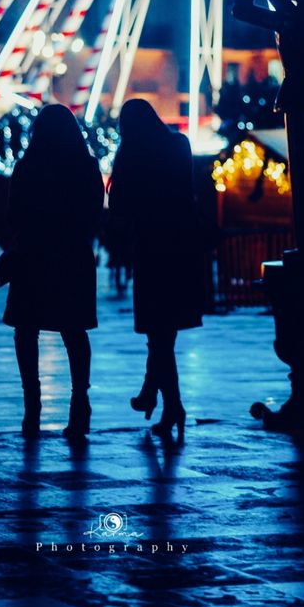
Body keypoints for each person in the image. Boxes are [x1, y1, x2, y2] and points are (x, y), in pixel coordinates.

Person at [0, 104, 104, 443]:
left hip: (33, 256)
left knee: (26, 331)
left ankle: (32, 405)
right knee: (74, 331)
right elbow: (94, 215)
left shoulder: (29, 166)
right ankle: (79, 401)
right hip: (73, 256)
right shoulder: (86, 166)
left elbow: (13, 215)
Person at [108, 99, 202, 441]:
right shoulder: (179, 145)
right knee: (165, 334)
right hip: (181, 248)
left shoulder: (132, 153)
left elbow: (118, 206)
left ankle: (170, 403)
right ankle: (158, 397)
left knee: (158, 334)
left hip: (150, 248)